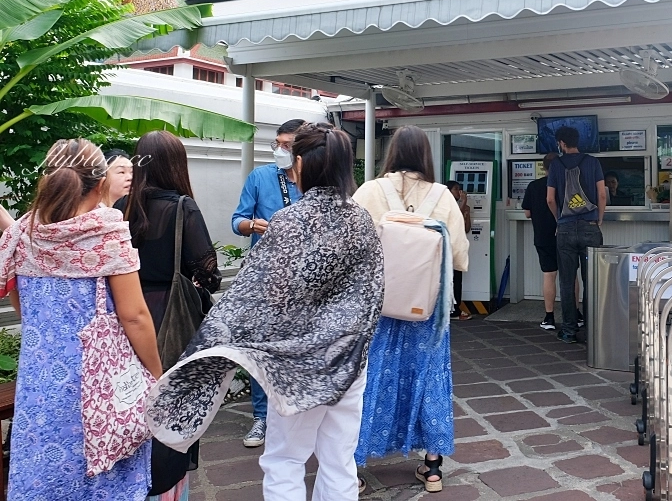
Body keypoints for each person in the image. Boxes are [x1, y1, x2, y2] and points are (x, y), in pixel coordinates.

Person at [145, 122, 384, 501]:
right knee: (339, 461)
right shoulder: (361, 221)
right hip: (349, 361)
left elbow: (257, 296)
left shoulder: (289, 222)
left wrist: (213, 345)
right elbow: (373, 294)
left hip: (294, 366)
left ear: (301, 164)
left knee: (285, 460)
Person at [0, 139, 162, 500]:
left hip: (40, 383)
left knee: (42, 470)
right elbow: (134, 316)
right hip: (99, 382)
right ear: (101, 181)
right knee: (105, 471)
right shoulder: (106, 233)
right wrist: (155, 373)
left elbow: (23, 307)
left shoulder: (22, 234)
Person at [353, 126, 469, 494]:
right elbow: (459, 254)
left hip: (380, 306)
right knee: (430, 378)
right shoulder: (442, 196)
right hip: (427, 309)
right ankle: (432, 468)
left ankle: (352, 466)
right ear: (425, 156)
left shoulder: (370, 191)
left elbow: (353, 244)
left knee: (371, 379)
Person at [119, 130, 222, 500]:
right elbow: (209, 270)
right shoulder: (182, 207)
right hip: (170, 317)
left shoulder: (121, 207)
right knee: (169, 403)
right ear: (177, 165)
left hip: (123, 316)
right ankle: (166, 486)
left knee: (128, 400)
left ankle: (128, 479)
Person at [230, 118, 305, 447]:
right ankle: (262, 418)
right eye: (277, 144)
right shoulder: (260, 177)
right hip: (266, 278)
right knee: (260, 350)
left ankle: (300, 414)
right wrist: (251, 226)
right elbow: (237, 220)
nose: (279, 150)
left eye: (287, 145)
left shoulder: (315, 182)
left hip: (306, 282)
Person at [547, 126, 605, 344]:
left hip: (566, 229)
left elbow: (550, 199)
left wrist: (559, 221)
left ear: (561, 143)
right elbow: (601, 194)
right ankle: (594, 330)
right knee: (593, 281)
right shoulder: (593, 162)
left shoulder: (555, 165)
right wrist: (598, 219)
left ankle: (569, 330)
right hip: (591, 227)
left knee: (567, 281)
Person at [524, 153, 580, 331]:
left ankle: (549, 317)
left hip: (542, 236)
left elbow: (527, 213)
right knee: (571, 274)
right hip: (567, 234)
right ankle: (576, 313)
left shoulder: (533, 186)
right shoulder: (569, 185)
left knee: (549, 275)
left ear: (544, 167)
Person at [445, 180, 473, 321]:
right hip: (447, 248)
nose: (460, 192)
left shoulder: (464, 207)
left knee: (457, 279)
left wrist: (467, 212)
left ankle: (455, 309)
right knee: (449, 279)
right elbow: (454, 220)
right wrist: (462, 205)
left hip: (457, 247)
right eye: (456, 189)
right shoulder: (446, 206)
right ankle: (451, 311)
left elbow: (466, 228)